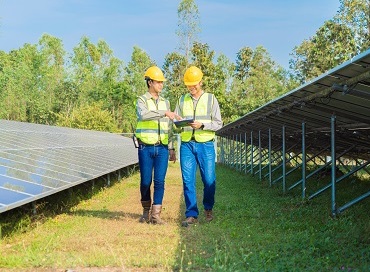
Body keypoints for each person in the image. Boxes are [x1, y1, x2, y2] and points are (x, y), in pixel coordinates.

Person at [175, 66, 223, 227]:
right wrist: (178, 122)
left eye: (194, 84)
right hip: (187, 144)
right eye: (189, 85)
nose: (191, 87)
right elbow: (175, 124)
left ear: (200, 82)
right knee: (188, 180)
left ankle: (208, 208)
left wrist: (202, 125)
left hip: (206, 144)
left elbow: (218, 124)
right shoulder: (182, 100)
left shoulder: (211, 99)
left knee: (209, 180)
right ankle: (191, 214)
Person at [135, 66, 179, 224]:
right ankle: (145, 210)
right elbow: (144, 115)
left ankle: (155, 215)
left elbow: (168, 126)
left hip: (162, 147)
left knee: (160, 181)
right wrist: (164, 113)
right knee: (146, 181)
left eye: (162, 82)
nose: (161, 85)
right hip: (145, 147)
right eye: (158, 82)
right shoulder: (142, 100)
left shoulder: (165, 102)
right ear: (149, 82)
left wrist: (172, 147)